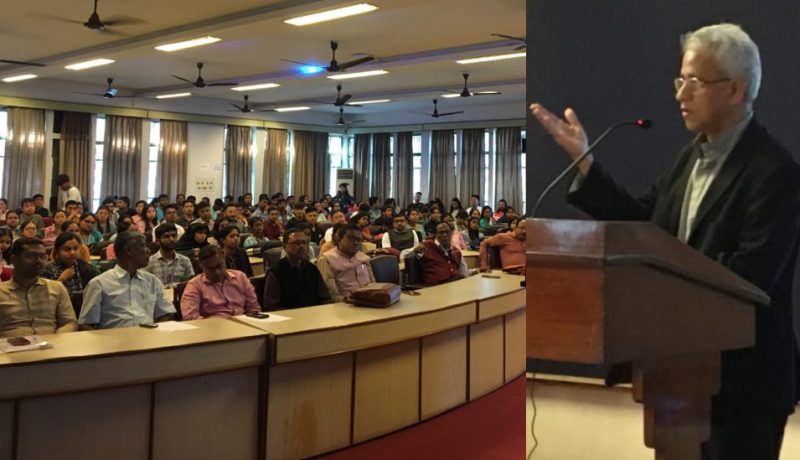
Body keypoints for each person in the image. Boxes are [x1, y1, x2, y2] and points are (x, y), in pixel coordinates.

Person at [530, 23, 800, 460]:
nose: (679, 95)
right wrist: (586, 164)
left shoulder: (775, 172)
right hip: (678, 371)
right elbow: (645, 227)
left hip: (744, 386)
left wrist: (669, 268)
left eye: (693, 82)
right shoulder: (688, 158)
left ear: (734, 90)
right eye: (679, 81)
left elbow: (753, 277)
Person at [78, 232, 176, 329]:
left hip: (148, 339)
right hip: (114, 340)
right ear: (128, 250)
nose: (149, 251)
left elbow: (166, 313)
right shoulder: (99, 284)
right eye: (144, 246)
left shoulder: (152, 281)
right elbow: (85, 324)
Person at [0, 237, 77, 338]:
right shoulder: (2, 291)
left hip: (53, 347)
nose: (39, 261)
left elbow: (69, 322)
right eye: (31, 256)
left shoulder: (57, 288)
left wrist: (57, 340)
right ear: (14, 259)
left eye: (42, 257)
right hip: (11, 348)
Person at [180, 245, 261, 320]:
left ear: (224, 259)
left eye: (220, 266)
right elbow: (190, 317)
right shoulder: (194, 285)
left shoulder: (240, 277)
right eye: (211, 269)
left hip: (244, 324)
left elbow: (253, 307)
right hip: (213, 329)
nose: (217, 272)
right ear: (202, 267)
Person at [263, 227, 331, 310]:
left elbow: (325, 298)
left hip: (314, 316)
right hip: (288, 318)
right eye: (297, 243)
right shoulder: (276, 272)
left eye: (304, 243)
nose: (302, 246)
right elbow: (271, 306)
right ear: (285, 246)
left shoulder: (312, 269)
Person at [41, 232, 99, 317]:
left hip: (84, 314)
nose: (72, 253)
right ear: (57, 251)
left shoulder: (87, 268)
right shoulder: (47, 270)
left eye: (75, 248)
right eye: (66, 249)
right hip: (56, 314)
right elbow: (46, 300)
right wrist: (61, 279)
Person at [317, 223, 375, 302]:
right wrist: (349, 300)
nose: (355, 243)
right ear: (338, 239)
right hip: (346, 304)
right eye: (351, 238)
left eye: (358, 240)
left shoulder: (363, 257)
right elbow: (331, 295)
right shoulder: (326, 259)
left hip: (371, 301)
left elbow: (373, 284)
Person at [404, 222, 474, 286]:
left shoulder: (456, 252)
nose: (445, 235)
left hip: (457, 285)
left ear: (451, 233)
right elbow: (405, 257)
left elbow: (465, 273)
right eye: (441, 232)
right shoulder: (426, 246)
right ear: (435, 234)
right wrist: (414, 251)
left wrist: (475, 271)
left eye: (447, 232)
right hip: (437, 288)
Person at [144, 223, 195, 288]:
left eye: (174, 236)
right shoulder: (149, 262)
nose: (171, 239)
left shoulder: (185, 261)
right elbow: (146, 286)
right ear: (158, 240)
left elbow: (191, 285)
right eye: (166, 236)